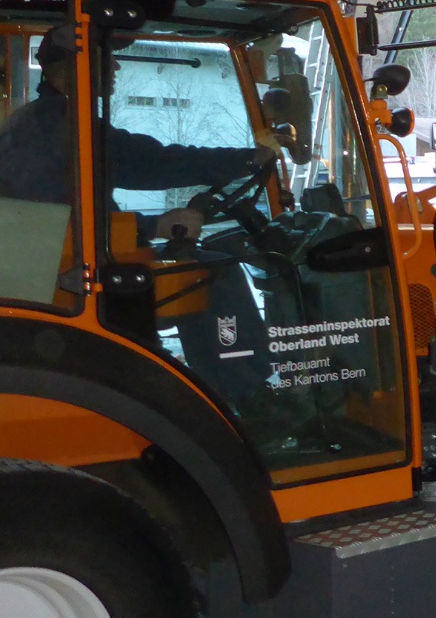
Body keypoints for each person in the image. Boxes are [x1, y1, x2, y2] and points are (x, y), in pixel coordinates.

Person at [0, 25, 279, 402]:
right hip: (73, 277)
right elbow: (153, 163)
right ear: (72, 64)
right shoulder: (60, 127)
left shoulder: (45, 121)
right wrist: (248, 159)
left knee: (196, 264)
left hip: (61, 266)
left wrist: (148, 227)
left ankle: (213, 390)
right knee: (215, 269)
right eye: (106, 58)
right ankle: (249, 397)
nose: (114, 68)